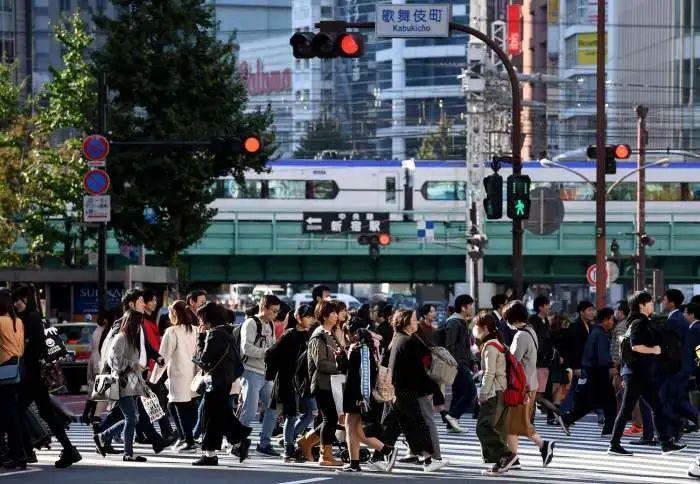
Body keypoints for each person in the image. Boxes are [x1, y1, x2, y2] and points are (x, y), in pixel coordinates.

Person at [607, 291, 687, 456]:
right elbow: (635, 346)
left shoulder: (639, 321)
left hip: (641, 373)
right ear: (641, 305)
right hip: (636, 374)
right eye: (649, 301)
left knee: (657, 407)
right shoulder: (639, 322)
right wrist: (654, 350)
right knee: (626, 410)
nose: (652, 304)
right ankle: (614, 445)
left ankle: (666, 444)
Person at [13, 285, 82, 469]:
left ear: (29, 299)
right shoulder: (30, 317)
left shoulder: (32, 318)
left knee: (18, 412)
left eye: (21, 299)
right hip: (33, 376)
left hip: (32, 376)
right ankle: (67, 450)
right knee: (45, 414)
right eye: (15, 299)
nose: (17, 303)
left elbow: (35, 347)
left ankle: (28, 451)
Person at [383, 309, 445, 472]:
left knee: (394, 427)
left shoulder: (397, 339)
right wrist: (433, 389)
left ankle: (378, 456)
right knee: (417, 426)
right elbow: (418, 372)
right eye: (414, 319)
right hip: (406, 390)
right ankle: (429, 460)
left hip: (397, 390)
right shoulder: (408, 341)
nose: (417, 322)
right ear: (406, 322)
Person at [192, 302, 251, 466]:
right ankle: (227, 446)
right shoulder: (227, 332)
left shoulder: (214, 334)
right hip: (225, 381)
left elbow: (204, 361)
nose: (200, 321)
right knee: (219, 416)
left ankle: (235, 441)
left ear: (208, 318)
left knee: (211, 417)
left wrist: (200, 338)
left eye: (201, 318)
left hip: (215, 381)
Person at [338, 320, 395, 473]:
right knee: (355, 430)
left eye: (347, 333)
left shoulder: (362, 349)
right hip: (355, 394)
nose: (346, 337)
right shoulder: (365, 347)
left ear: (354, 333)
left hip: (356, 395)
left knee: (352, 429)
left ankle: (383, 452)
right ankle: (379, 453)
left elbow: (365, 375)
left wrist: (362, 397)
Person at [504, 301, 556, 470]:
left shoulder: (520, 336)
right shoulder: (530, 330)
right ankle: (535, 449)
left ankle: (520, 455)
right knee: (518, 422)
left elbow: (513, 362)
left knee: (513, 423)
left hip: (521, 387)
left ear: (512, 318)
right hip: (530, 384)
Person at [94, 310, 149, 462]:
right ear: (133, 323)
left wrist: (143, 386)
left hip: (131, 384)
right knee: (131, 418)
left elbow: (134, 367)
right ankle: (127, 452)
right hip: (122, 383)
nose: (140, 327)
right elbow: (114, 361)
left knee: (133, 418)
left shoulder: (131, 339)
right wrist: (132, 364)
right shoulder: (121, 338)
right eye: (139, 323)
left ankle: (103, 437)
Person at [265, 304, 315, 462]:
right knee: (291, 416)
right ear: (298, 317)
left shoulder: (308, 335)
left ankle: (289, 440)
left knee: (311, 412)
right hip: (288, 381)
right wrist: (280, 370)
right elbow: (270, 354)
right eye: (308, 317)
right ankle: (288, 449)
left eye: (312, 317)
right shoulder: (289, 335)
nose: (311, 320)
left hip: (303, 382)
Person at [560, 308, 618, 436]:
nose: (613, 322)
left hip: (592, 372)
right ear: (606, 320)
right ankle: (608, 431)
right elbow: (602, 357)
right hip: (599, 373)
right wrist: (611, 365)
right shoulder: (600, 334)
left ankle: (567, 419)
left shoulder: (595, 331)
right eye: (611, 319)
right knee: (609, 403)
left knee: (591, 403)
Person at [472, 311, 517, 476]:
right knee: (497, 428)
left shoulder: (490, 346)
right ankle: (501, 463)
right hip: (502, 390)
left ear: (484, 327)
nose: (474, 329)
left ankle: (507, 455)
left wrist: (483, 393)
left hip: (494, 392)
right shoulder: (498, 342)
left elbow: (489, 373)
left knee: (483, 427)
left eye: (476, 326)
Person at [238, 294, 280, 456]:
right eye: (273, 311)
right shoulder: (251, 323)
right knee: (249, 411)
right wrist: (267, 352)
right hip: (251, 372)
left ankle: (264, 444)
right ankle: (237, 443)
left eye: (277, 311)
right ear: (264, 308)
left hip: (266, 373)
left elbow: (272, 345)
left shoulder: (270, 323)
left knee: (272, 409)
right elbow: (246, 348)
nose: (275, 315)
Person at [307, 299, 345, 467]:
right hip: (322, 384)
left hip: (332, 383)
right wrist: (339, 367)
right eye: (333, 313)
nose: (337, 316)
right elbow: (320, 363)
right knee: (330, 418)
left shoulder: (330, 334)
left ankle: (306, 441)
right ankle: (325, 455)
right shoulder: (319, 335)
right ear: (324, 316)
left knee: (331, 418)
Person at [159, 300, 199, 452]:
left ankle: (188, 440)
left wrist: (154, 378)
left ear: (174, 313)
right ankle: (185, 438)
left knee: (178, 406)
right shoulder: (195, 330)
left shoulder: (172, 332)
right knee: (185, 406)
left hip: (178, 374)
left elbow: (163, 357)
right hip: (193, 374)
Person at [660, 289, 697, 441]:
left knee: (670, 400)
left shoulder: (674, 320)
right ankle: (674, 432)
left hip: (677, 368)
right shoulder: (679, 318)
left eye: (664, 299)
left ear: (671, 302)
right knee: (676, 401)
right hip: (682, 366)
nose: (662, 302)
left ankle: (672, 433)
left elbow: (674, 347)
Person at [0, 288, 27, 469]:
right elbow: (21, 348)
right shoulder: (18, 321)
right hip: (17, 369)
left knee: (7, 414)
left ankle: (15, 453)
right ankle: (18, 453)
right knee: (12, 413)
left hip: (2, 369)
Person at [443, 294, 476, 433]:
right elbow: (449, 346)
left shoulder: (461, 322)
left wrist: (472, 361)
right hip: (457, 364)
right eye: (470, 306)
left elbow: (465, 346)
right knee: (471, 391)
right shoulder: (454, 322)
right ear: (463, 307)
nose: (472, 309)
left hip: (462, 363)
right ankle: (453, 416)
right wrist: (455, 364)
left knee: (458, 393)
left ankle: (451, 425)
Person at [559, 301, 596, 413]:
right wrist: (576, 367)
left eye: (592, 310)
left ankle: (563, 413)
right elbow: (575, 349)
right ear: (581, 312)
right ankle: (562, 412)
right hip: (580, 365)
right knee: (576, 390)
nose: (592, 313)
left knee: (578, 390)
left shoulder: (590, 326)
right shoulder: (575, 326)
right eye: (589, 310)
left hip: (588, 365)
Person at [528, 295, 556, 423]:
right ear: (540, 307)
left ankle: (550, 416)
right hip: (536, 361)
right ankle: (530, 417)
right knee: (535, 391)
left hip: (545, 361)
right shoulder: (533, 320)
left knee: (546, 390)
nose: (549, 307)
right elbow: (536, 341)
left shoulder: (546, 320)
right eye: (547, 305)